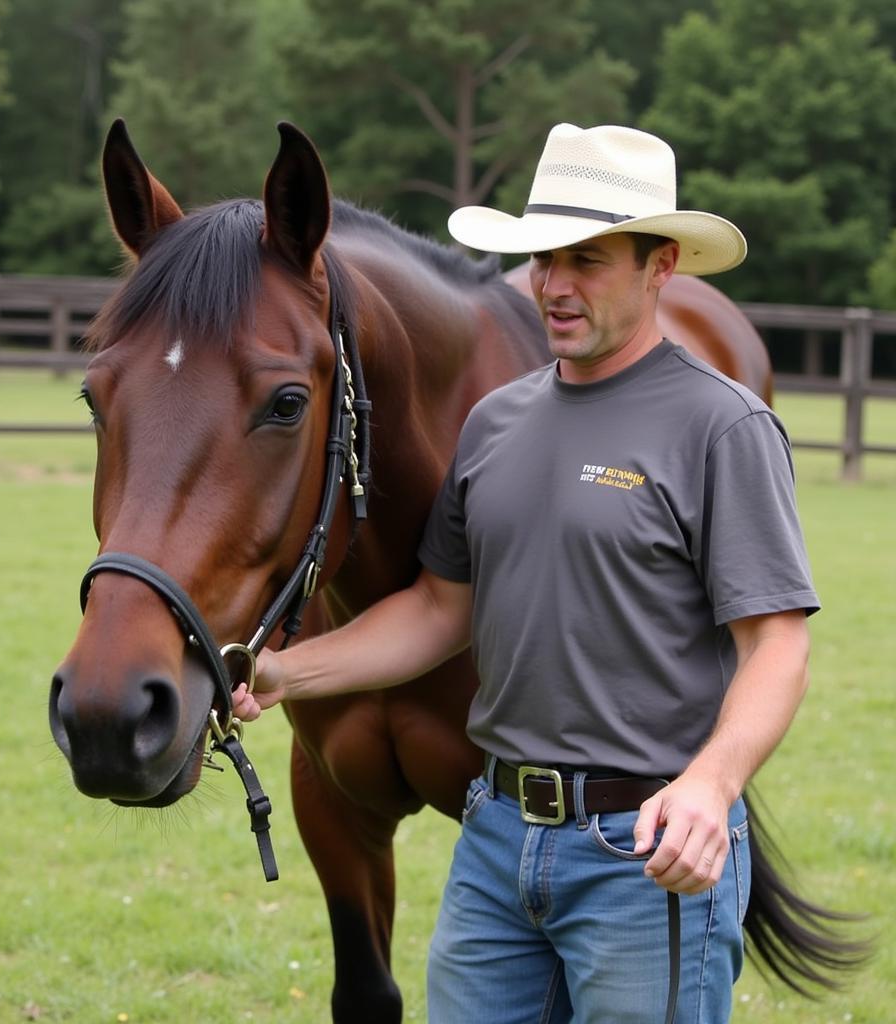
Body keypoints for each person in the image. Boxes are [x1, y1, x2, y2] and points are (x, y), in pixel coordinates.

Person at [233, 123, 819, 1023]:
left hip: (643, 851)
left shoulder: (722, 427)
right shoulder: (495, 423)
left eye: (586, 260)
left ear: (660, 265)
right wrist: (284, 671)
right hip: (500, 842)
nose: (553, 285)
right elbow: (438, 609)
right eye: (544, 259)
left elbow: (777, 643)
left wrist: (714, 785)